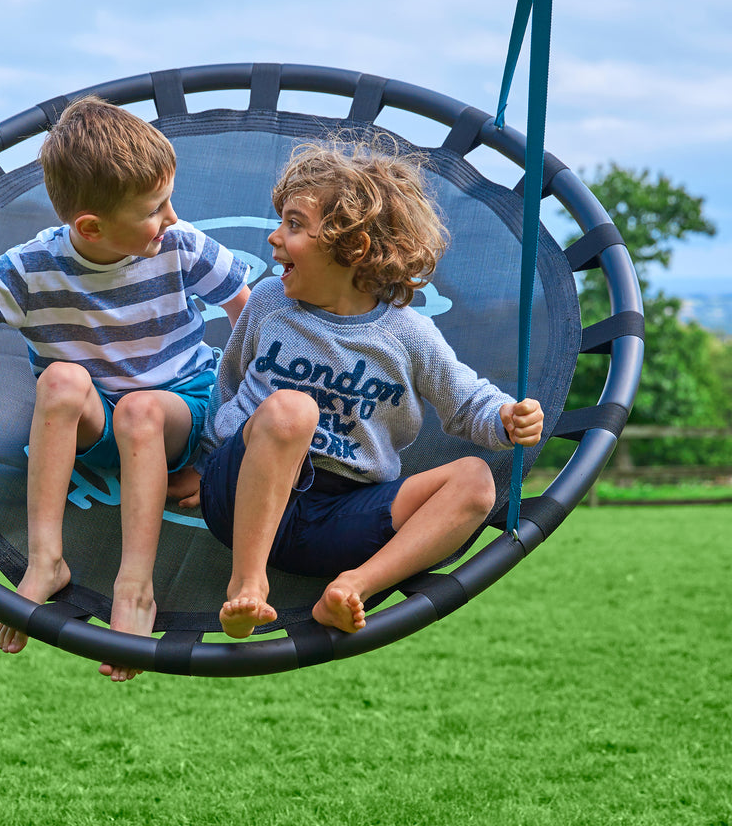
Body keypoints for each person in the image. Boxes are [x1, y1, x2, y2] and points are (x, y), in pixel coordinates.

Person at [0, 96, 250, 679]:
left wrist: (225, 451)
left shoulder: (182, 246)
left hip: (181, 407)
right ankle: (46, 560)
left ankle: (136, 588)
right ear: (91, 227)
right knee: (61, 380)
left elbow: (252, 327)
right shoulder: (33, 267)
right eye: (154, 208)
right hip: (100, 422)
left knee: (142, 411)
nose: (171, 217)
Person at [192, 137, 544, 639]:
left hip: (342, 514)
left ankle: (351, 587)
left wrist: (507, 418)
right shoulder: (270, 304)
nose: (274, 238)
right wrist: (204, 464)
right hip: (245, 491)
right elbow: (229, 389)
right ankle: (248, 584)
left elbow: (467, 401)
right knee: (291, 410)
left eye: (294, 225)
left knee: (475, 482)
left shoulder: (407, 335)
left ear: (351, 247)